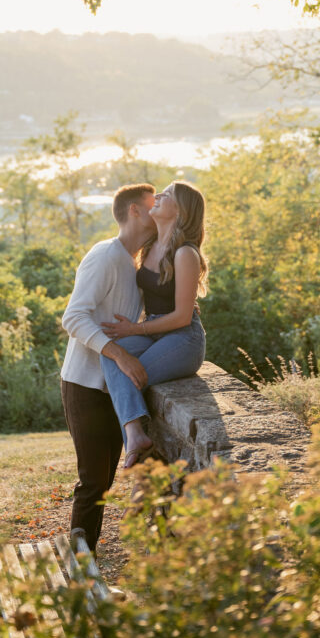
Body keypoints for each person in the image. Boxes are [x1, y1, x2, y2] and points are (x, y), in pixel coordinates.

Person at [60, 182, 156, 553]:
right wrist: (119, 354)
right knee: (93, 483)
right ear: (134, 211)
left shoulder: (134, 266)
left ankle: (85, 566)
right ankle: (80, 573)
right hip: (85, 386)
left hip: (113, 389)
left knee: (103, 482)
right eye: (153, 205)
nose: (160, 210)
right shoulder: (105, 255)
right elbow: (73, 317)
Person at [100, 181, 208, 468]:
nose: (158, 196)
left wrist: (134, 329)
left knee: (132, 376)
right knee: (112, 353)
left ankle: (140, 459)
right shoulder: (149, 248)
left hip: (183, 338)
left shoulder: (185, 253)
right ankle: (136, 435)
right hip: (154, 330)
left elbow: (183, 317)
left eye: (167, 194)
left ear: (181, 210)